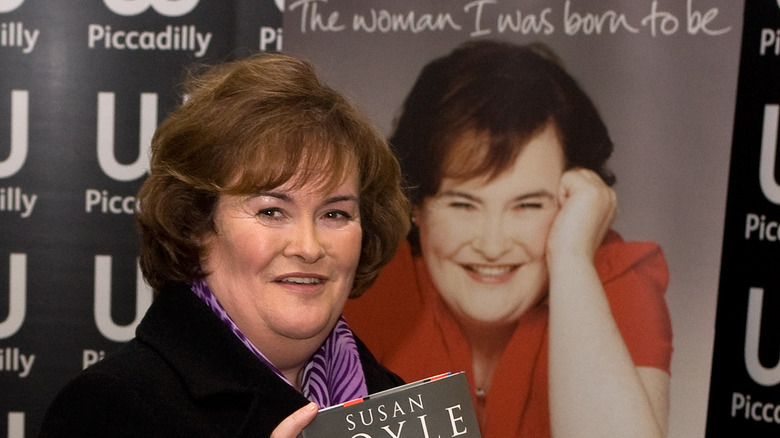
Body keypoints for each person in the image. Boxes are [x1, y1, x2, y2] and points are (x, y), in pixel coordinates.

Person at [38, 53, 409, 437]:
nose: (308, 247)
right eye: (271, 212)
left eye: (335, 215)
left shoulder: (399, 405)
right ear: (197, 224)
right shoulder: (109, 409)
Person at [344, 40, 673, 437]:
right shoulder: (369, 280)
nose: (493, 244)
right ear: (417, 206)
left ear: (570, 204)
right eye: (463, 205)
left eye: (528, 206)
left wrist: (570, 255)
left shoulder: (613, 283)